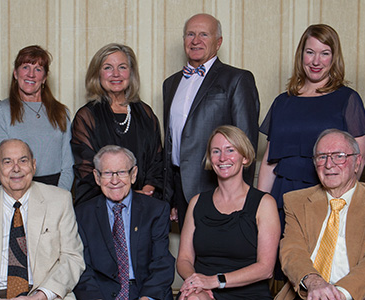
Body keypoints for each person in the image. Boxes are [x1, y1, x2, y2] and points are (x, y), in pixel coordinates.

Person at [257, 25, 365, 280]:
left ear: (334, 57)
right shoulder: (283, 101)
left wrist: (340, 206)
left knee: (320, 270)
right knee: (282, 267)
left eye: (324, 53)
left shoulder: (347, 99)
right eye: (310, 52)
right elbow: (269, 160)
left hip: (325, 198)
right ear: (301, 56)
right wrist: (259, 205)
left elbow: (356, 162)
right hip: (282, 196)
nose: (316, 61)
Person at [0, 139, 84, 300]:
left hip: (45, 293)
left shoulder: (60, 200)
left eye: (23, 160)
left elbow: (72, 258)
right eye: (7, 162)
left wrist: (40, 296)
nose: (16, 168)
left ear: (34, 165)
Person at [276, 129, 365, 300]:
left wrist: (339, 294)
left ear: (357, 162)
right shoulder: (296, 202)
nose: (329, 164)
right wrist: (314, 283)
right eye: (322, 157)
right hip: (309, 293)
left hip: (359, 294)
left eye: (339, 156)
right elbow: (292, 251)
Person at [163, 13, 260, 227]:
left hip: (218, 185)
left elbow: (247, 144)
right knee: (188, 253)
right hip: (180, 186)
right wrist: (169, 196)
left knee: (219, 253)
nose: (195, 40)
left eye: (204, 34)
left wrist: (241, 198)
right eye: (190, 34)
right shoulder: (170, 84)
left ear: (218, 42)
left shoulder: (237, 79)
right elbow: (170, 143)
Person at [177, 126, 279, 300]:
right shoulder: (197, 203)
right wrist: (195, 282)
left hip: (248, 293)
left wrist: (215, 281)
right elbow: (184, 259)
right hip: (203, 291)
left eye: (230, 150)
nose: (223, 158)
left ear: (245, 157)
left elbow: (266, 269)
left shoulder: (264, 203)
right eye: (216, 151)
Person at [74, 145, 175, 300]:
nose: (115, 181)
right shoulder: (82, 214)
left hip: (145, 291)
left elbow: (162, 262)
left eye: (122, 172)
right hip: (101, 294)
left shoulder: (156, 210)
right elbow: (82, 268)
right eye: (107, 173)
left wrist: (147, 298)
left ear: (133, 174)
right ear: (97, 177)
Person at [71, 43, 163, 205]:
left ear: (131, 73)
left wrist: (146, 191)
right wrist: (125, 196)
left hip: (144, 204)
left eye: (122, 67)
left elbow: (157, 161)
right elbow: (86, 170)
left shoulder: (145, 113)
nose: (115, 74)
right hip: (101, 205)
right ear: (97, 74)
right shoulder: (86, 116)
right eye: (107, 68)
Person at [0, 45, 73, 191]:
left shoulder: (61, 112)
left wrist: (60, 196)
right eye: (25, 67)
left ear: (44, 78)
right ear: (16, 73)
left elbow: (68, 165)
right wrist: (20, 195)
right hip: (17, 189)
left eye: (38, 69)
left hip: (55, 189)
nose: (31, 74)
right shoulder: (1, 110)